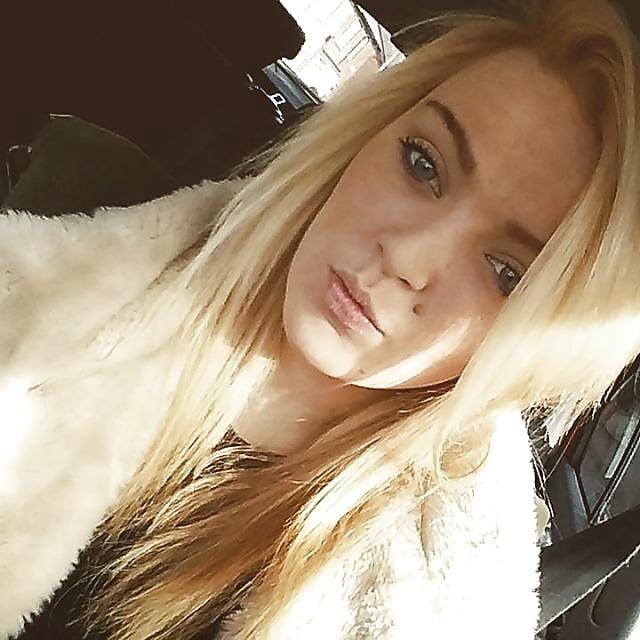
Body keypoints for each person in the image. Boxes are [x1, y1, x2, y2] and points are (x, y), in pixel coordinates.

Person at [1, 0, 639, 638]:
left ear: (542, 350)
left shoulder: (442, 605)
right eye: (423, 163)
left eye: (507, 273)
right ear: (367, 134)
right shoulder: (60, 232)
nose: (407, 258)